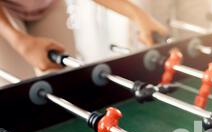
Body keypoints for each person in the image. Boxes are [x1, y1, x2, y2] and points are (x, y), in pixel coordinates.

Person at [0, 0, 168, 85]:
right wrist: (20, 42)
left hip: (48, 5)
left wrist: (138, 15)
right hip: (5, 12)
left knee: (66, 79)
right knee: (15, 89)